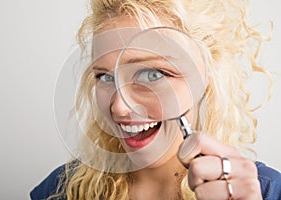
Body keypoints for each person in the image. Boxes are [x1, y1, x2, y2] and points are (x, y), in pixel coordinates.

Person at [30, 0, 281, 199]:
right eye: (105, 77)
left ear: (206, 78)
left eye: (152, 74)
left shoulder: (265, 192)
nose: (119, 107)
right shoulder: (62, 190)